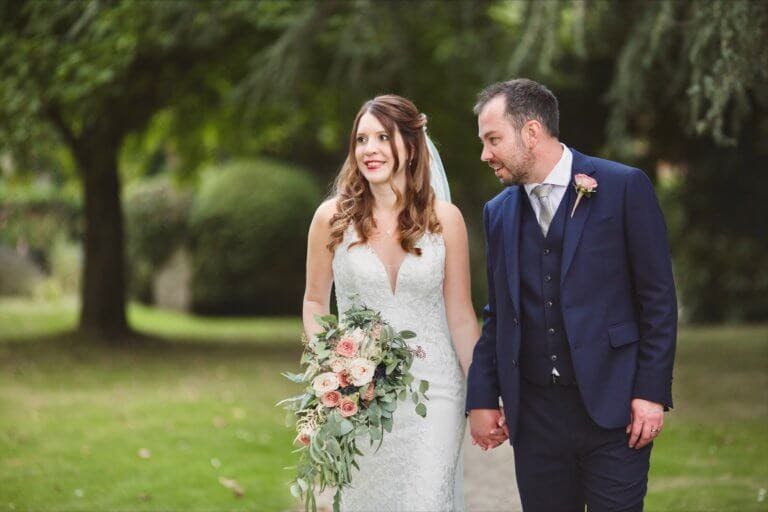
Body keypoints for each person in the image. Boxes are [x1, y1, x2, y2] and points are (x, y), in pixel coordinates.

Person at [467, 78, 677, 511]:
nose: (485, 154)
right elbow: (498, 313)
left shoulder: (623, 187)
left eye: (493, 140)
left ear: (531, 133)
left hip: (615, 409)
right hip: (536, 416)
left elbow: (657, 300)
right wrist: (483, 397)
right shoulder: (498, 213)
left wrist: (651, 393)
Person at [303, 94, 479, 511]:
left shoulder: (446, 220)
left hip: (435, 392)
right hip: (360, 395)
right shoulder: (331, 219)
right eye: (361, 139)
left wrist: (485, 390)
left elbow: (461, 317)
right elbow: (314, 301)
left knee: (426, 499)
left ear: (412, 146)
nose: (370, 149)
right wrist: (329, 369)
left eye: (384, 136)